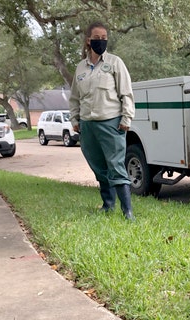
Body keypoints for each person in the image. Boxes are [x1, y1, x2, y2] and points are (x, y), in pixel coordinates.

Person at [69, 21, 136, 221]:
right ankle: (108, 205)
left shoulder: (115, 63)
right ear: (88, 41)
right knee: (98, 166)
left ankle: (128, 211)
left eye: (104, 38)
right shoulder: (80, 67)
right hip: (87, 125)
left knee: (116, 165)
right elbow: (74, 98)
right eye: (97, 38)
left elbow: (127, 94)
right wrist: (75, 119)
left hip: (111, 122)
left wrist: (126, 118)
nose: (101, 41)